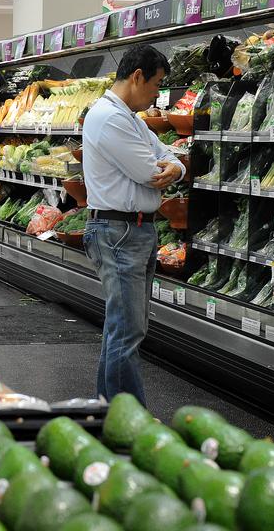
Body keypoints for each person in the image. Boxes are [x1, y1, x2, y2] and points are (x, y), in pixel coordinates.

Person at [82, 44, 184, 404]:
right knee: (127, 331)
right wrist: (169, 167)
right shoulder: (110, 118)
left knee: (120, 329)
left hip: (131, 230)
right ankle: (133, 419)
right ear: (137, 76)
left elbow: (169, 157)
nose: (158, 92)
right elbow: (149, 171)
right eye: (157, 83)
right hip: (119, 232)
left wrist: (175, 166)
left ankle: (107, 408)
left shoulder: (128, 118)